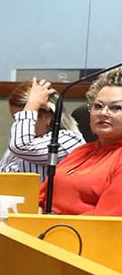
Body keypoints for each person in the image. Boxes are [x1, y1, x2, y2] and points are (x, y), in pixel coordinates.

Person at [49, 67, 122, 214]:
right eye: (98, 106)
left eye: (116, 108)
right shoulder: (81, 151)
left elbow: (104, 220)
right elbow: (41, 199)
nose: (103, 113)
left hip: (79, 233)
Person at [0, 76, 84, 178]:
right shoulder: (23, 139)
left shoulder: (69, 140)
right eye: (17, 120)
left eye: (23, 118)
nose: (20, 125)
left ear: (48, 117)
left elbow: (20, 146)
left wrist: (33, 104)